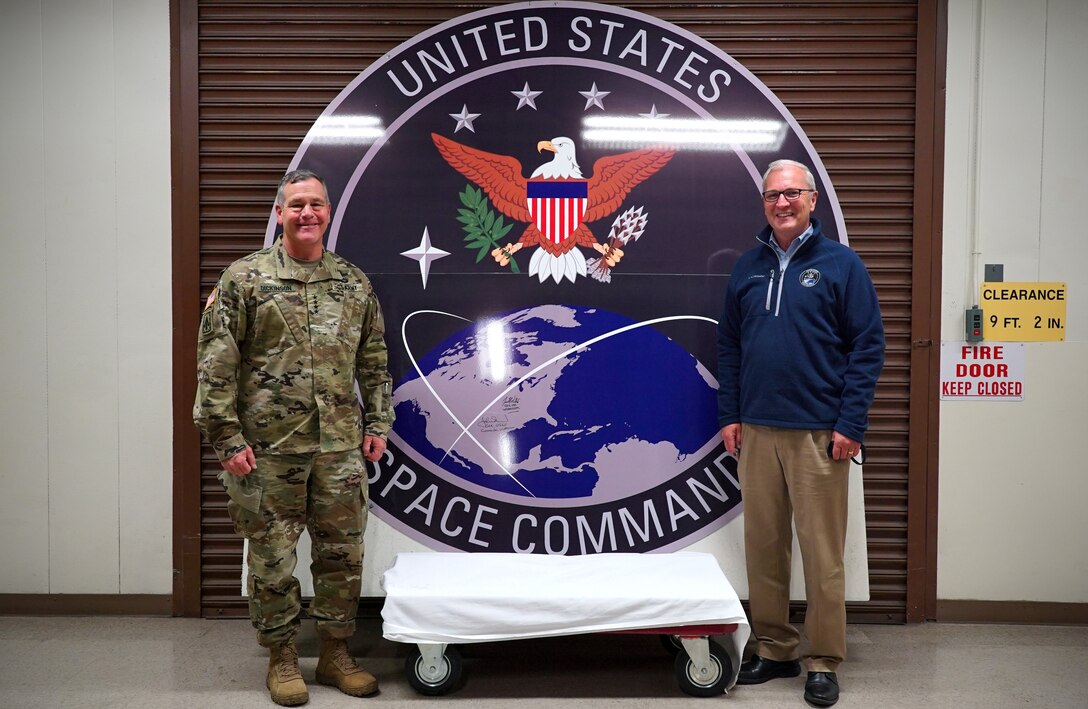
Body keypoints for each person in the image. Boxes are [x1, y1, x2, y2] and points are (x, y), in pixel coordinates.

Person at [194, 168, 394, 706]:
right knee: (273, 557)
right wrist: (227, 439)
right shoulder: (245, 280)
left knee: (341, 555)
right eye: (297, 204)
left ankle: (334, 653)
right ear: (280, 213)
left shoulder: (353, 282)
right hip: (267, 450)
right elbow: (215, 368)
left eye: (317, 205)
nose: (308, 213)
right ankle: (282, 656)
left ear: (328, 213)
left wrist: (377, 424)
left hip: (339, 449)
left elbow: (373, 361)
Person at [716, 160, 884, 707]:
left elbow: (867, 348)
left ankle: (823, 659)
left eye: (791, 194)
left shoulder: (841, 265)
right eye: (772, 195)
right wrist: (730, 413)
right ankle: (775, 647)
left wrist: (849, 423)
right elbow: (730, 349)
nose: (781, 203)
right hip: (757, 431)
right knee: (763, 549)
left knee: (822, 554)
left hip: (819, 434)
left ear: (812, 200)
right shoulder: (746, 268)